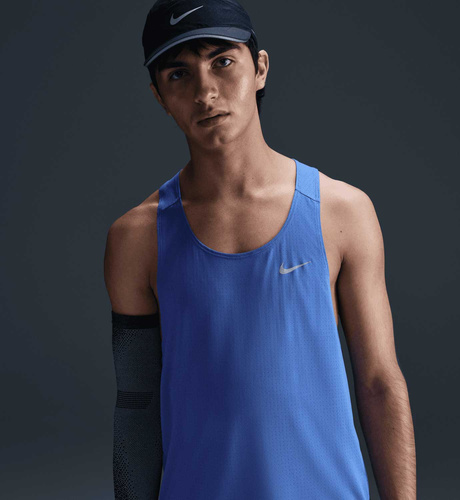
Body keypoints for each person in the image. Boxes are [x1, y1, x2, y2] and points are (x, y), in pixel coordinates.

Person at [103, 0, 417, 498]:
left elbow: (379, 382)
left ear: (261, 68)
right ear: (159, 95)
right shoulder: (135, 238)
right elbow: (137, 406)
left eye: (223, 62)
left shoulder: (341, 212)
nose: (205, 91)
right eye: (179, 74)